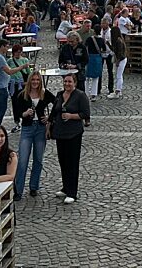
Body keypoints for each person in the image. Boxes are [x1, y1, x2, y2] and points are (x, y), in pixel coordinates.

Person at [12, 70, 54, 199]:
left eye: (37, 80)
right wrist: (23, 114)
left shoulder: (44, 93)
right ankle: (18, 190)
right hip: (27, 129)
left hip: (40, 128)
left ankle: (34, 186)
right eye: (33, 80)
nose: (35, 82)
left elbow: (56, 102)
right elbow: (17, 111)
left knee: (38, 159)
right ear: (30, 81)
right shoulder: (22, 95)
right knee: (23, 160)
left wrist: (49, 118)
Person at [50, 72, 90, 204]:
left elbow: (85, 113)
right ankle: (66, 187)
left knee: (72, 162)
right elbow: (54, 111)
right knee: (63, 161)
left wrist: (71, 116)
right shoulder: (59, 95)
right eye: (65, 81)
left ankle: (72, 191)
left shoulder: (80, 95)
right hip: (61, 133)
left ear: (74, 83)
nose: (67, 84)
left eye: (69, 82)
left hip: (74, 133)